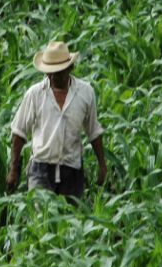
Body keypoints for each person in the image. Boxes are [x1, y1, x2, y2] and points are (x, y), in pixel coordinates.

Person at [7, 41, 108, 204]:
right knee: (41, 221)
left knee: (69, 223)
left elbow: (93, 131)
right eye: (49, 72)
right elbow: (19, 132)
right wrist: (13, 170)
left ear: (70, 68)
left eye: (58, 72)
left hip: (72, 171)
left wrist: (102, 166)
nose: (52, 76)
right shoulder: (35, 94)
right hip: (41, 170)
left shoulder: (85, 93)